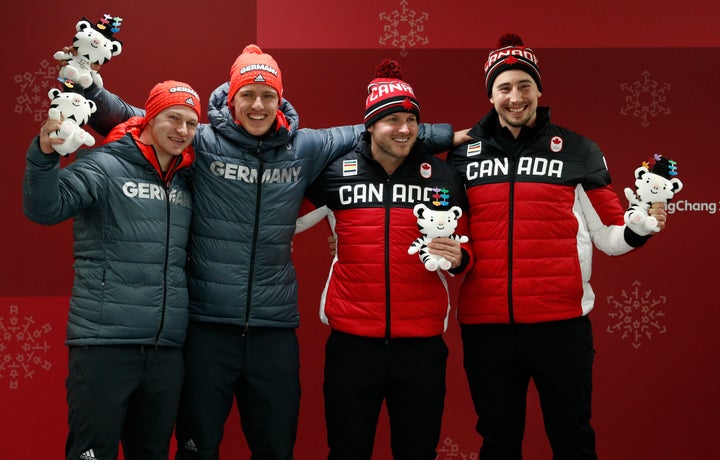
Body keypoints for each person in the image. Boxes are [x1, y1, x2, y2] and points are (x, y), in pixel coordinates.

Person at [79, 44, 458, 459]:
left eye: (268, 96)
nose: (258, 105)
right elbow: (133, 118)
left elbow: (376, 127)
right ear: (231, 97)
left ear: (280, 101)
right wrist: (91, 89)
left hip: (273, 330)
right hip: (208, 327)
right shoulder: (201, 140)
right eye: (248, 95)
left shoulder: (305, 146)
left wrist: (453, 135)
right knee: (196, 448)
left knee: (277, 449)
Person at [445, 34, 669, 460]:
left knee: (572, 440)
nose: (515, 97)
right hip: (487, 327)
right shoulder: (461, 156)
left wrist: (641, 229)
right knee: (499, 443)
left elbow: (609, 235)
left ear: (539, 90)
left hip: (561, 327)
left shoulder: (579, 150)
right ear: (491, 95)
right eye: (504, 87)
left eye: (524, 85)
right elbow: (455, 238)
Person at [297, 59, 472, 460]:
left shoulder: (443, 176)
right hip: (352, 346)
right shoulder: (336, 172)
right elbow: (281, 223)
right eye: (392, 119)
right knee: (347, 450)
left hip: (422, 346)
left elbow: (471, 245)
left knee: (417, 451)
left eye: (411, 119)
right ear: (371, 125)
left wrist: (461, 257)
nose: (405, 129)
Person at [23, 79, 201, 460]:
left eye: (190, 123)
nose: (182, 130)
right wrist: (43, 156)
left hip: (165, 350)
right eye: (173, 118)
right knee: (93, 454)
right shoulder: (105, 165)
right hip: (105, 345)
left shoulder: (188, 180)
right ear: (149, 119)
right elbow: (44, 208)